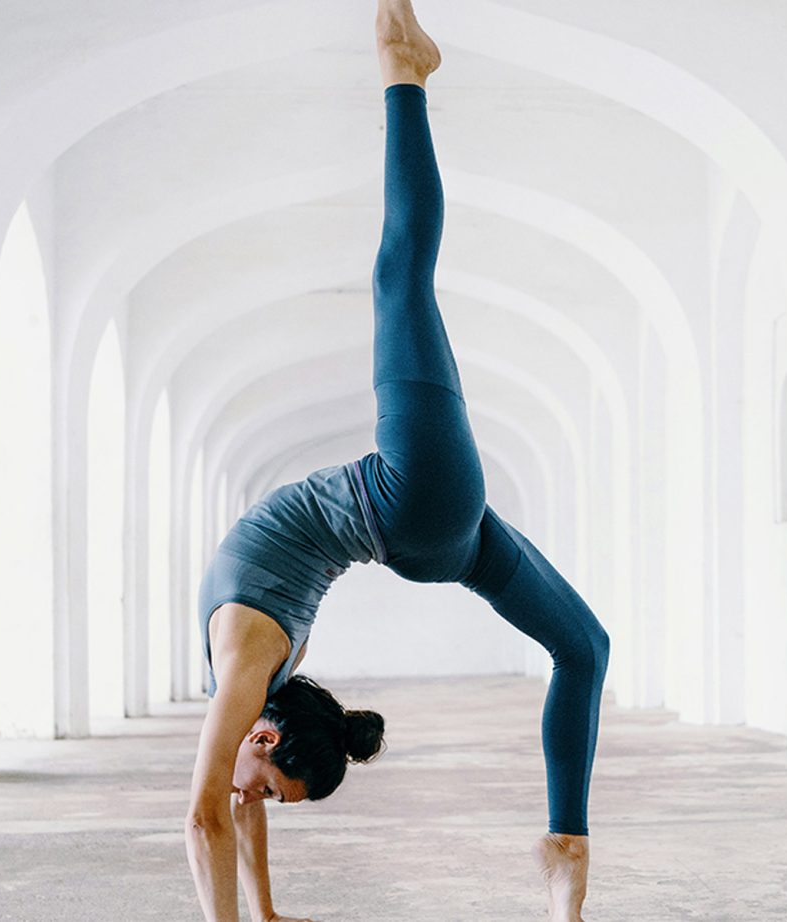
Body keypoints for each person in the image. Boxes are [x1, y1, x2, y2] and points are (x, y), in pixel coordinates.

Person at [183, 2, 608, 919]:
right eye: (273, 787)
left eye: (268, 789)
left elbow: (213, 814)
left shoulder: (250, 669)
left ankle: (565, 853)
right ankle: (400, 68)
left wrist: (252, 918)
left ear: (262, 735)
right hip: (418, 509)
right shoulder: (253, 678)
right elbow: (223, 809)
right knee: (398, 276)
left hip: (424, 525)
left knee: (585, 647)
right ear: (271, 732)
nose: (252, 795)